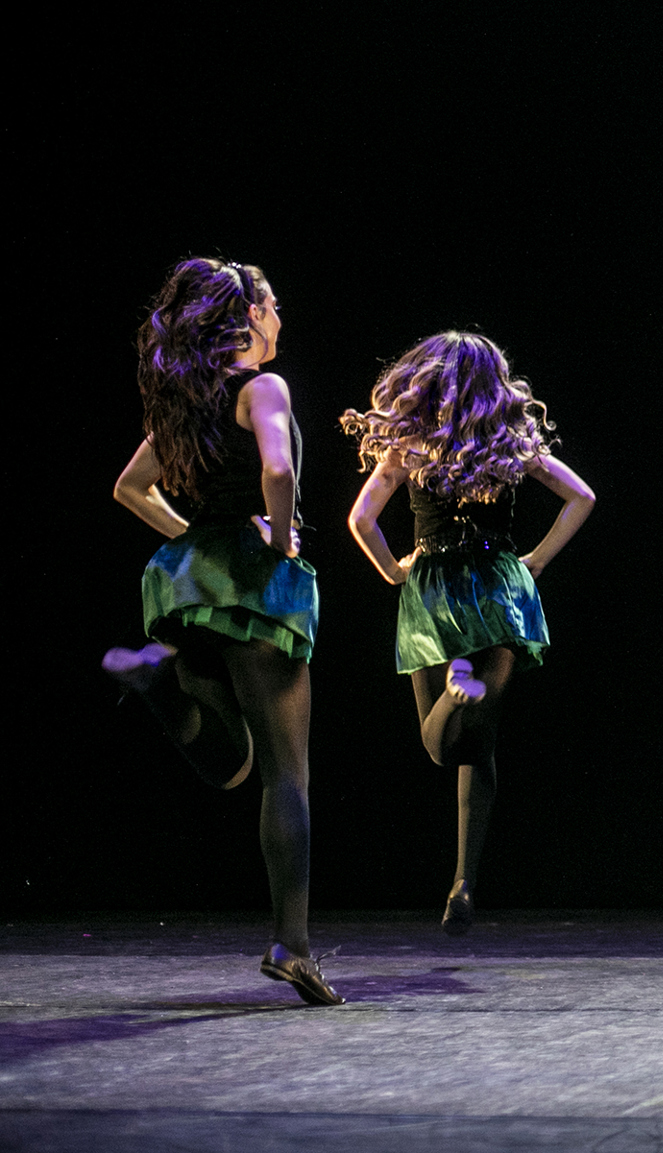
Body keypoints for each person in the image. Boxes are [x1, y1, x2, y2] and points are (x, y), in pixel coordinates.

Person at [103, 257, 341, 1005]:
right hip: (253, 584)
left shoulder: (187, 401)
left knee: (229, 759)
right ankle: (291, 945)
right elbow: (278, 470)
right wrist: (275, 540)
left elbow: (129, 488)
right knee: (284, 772)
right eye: (271, 308)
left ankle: (158, 687)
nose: (278, 320)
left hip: (184, 588)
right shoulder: (262, 385)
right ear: (247, 317)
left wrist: (193, 538)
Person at [342, 332, 594, 934]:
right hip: (499, 592)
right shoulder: (512, 443)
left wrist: (394, 572)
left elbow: (361, 519)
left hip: (432, 591)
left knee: (441, 748)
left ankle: (456, 689)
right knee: (478, 748)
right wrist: (533, 561)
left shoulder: (409, 445)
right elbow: (581, 495)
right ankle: (464, 883)